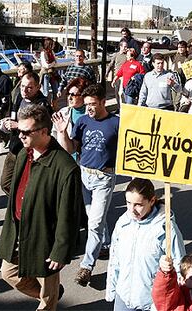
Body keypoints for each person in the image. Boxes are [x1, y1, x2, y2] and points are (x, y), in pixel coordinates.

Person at [0, 104, 83, 310]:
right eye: (19, 131)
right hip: (19, 229)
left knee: (47, 294)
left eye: (26, 132)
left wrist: (60, 250)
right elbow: (10, 185)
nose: (21, 136)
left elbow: (68, 214)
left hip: (46, 236)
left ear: (44, 132)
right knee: (8, 272)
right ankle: (49, 295)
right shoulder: (23, 154)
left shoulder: (65, 167)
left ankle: (48, 299)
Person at [55, 84, 119, 287]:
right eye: (87, 104)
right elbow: (70, 149)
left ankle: (86, 267)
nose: (89, 108)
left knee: (94, 224)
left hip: (104, 178)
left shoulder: (116, 123)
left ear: (103, 102)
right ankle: (107, 243)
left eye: (93, 104)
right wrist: (63, 133)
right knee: (94, 220)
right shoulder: (82, 122)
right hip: (84, 176)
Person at [105, 178, 186, 310]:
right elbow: (114, 260)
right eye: (128, 203)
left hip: (152, 304)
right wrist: (112, 290)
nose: (132, 209)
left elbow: (180, 266)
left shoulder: (166, 228)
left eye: (138, 204)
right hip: (123, 299)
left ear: (152, 200)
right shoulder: (122, 223)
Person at [0, 72, 53, 196]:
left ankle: (25, 208)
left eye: (29, 87)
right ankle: (20, 204)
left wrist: (18, 125)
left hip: (30, 151)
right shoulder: (19, 97)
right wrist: (7, 123)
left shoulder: (42, 105)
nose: (25, 90)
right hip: (15, 147)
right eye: (22, 86)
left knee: (27, 184)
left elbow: (44, 129)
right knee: (6, 183)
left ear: (38, 87)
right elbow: (13, 115)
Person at [52, 77, 90, 161]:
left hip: (85, 160)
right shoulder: (62, 113)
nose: (69, 98)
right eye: (68, 94)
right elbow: (53, 137)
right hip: (65, 159)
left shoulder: (91, 114)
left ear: (83, 96)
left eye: (73, 95)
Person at [106, 40, 128, 106]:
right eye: (124, 47)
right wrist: (107, 73)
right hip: (117, 76)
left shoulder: (128, 55)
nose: (126, 48)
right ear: (120, 47)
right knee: (116, 93)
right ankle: (119, 107)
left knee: (122, 93)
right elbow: (111, 64)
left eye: (126, 46)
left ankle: (123, 107)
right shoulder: (116, 55)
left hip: (124, 77)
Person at [40, 38, 58, 103]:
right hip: (45, 74)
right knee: (46, 92)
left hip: (52, 73)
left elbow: (56, 63)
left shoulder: (52, 52)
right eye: (52, 44)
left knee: (55, 90)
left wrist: (52, 64)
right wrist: (53, 63)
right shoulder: (43, 53)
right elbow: (46, 65)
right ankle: (46, 105)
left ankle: (54, 104)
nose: (54, 45)